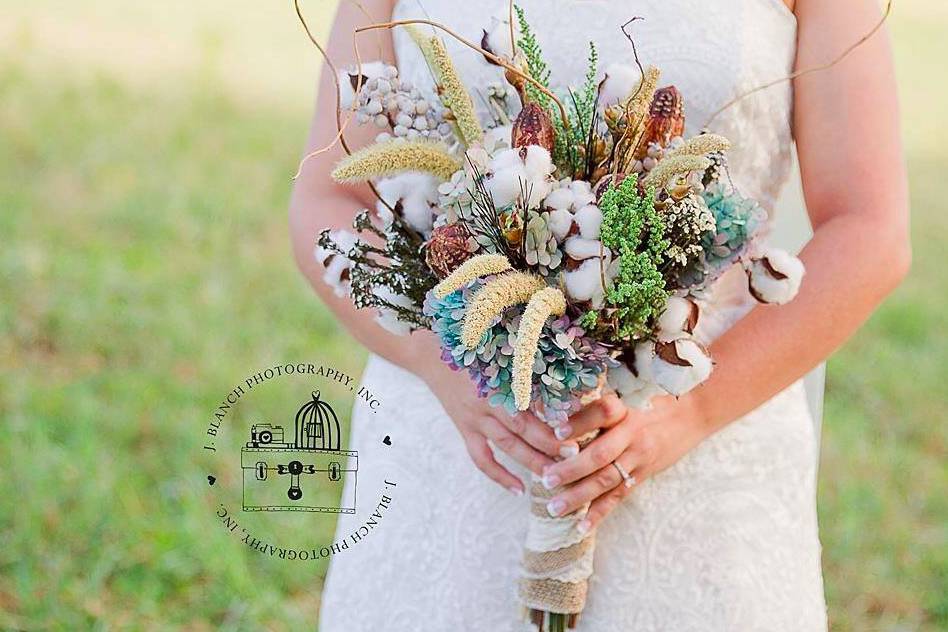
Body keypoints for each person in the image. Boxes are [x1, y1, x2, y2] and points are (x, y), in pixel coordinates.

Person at [289, 0, 910, 629]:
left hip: (704, 453)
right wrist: (442, 361)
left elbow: (869, 229)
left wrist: (689, 411)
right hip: (451, 443)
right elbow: (329, 198)